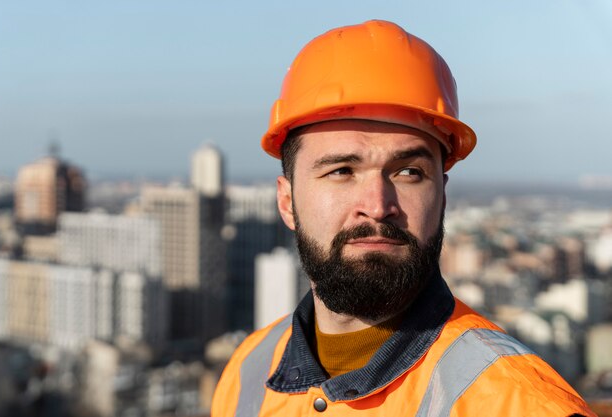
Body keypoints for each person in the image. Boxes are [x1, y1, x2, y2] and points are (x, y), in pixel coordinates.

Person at [212, 20, 595, 416]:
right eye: (341, 170)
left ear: (441, 195)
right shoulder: (248, 371)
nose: (378, 206)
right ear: (287, 202)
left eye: (409, 172)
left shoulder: (520, 404)